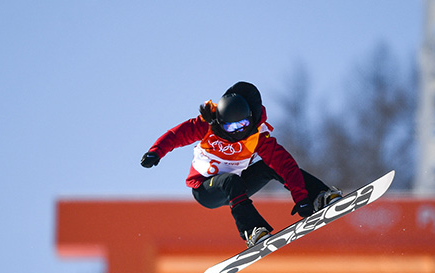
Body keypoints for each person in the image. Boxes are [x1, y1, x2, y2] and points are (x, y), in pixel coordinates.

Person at [141, 81, 341, 247]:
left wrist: (301, 196)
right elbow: (177, 135)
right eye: (230, 126)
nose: (236, 131)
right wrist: (156, 152)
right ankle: (251, 230)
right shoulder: (207, 125)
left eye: (242, 125)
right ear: (220, 121)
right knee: (230, 181)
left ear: (250, 120)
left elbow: (285, 165)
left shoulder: (257, 136)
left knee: (267, 167)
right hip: (205, 189)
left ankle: (319, 196)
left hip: (237, 184)